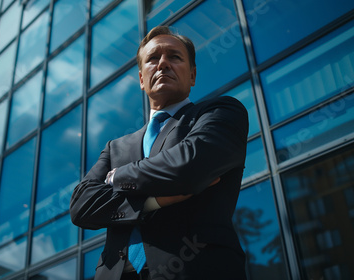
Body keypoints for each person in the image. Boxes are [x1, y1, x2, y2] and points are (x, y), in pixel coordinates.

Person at [70, 26, 248, 280]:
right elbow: (82, 206)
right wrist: (153, 202)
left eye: (174, 57)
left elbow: (189, 166)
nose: (163, 63)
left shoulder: (220, 113)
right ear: (142, 79)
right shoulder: (115, 147)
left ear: (193, 75)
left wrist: (118, 176)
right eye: (153, 59)